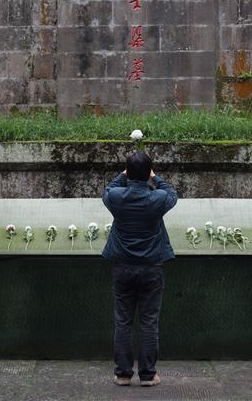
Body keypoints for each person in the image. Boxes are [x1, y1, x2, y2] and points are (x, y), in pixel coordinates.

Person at [101, 150, 178, 387]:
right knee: (149, 321)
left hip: (123, 266)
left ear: (128, 172)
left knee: (123, 321)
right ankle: (148, 374)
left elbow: (108, 189)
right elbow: (172, 193)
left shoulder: (116, 197)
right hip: (151, 267)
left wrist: (123, 174)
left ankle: (123, 374)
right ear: (147, 174)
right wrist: (154, 177)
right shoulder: (157, 199)